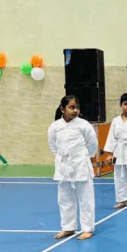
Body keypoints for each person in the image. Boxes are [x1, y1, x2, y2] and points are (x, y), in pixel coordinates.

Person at [48, 95, 98, 240]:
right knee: (65, 199)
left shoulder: (84, 125)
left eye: (77, 107)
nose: (75, 110)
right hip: (63, 166)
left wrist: (83, 156)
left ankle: (87, 228)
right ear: (62, 109)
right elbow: (53, 146)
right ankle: (68, 227)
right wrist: (63, 157)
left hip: (81, 164)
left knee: (86, 199)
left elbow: (92, 144)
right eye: (71, 107)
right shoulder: (55, 126)